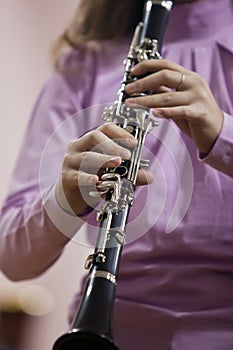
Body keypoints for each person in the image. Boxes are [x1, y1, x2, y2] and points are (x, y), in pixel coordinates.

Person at [1, 0, 233, 349]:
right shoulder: (84, 61)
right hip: (116, 332)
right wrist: (66, 198)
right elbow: (13, 259)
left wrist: (223, 136)